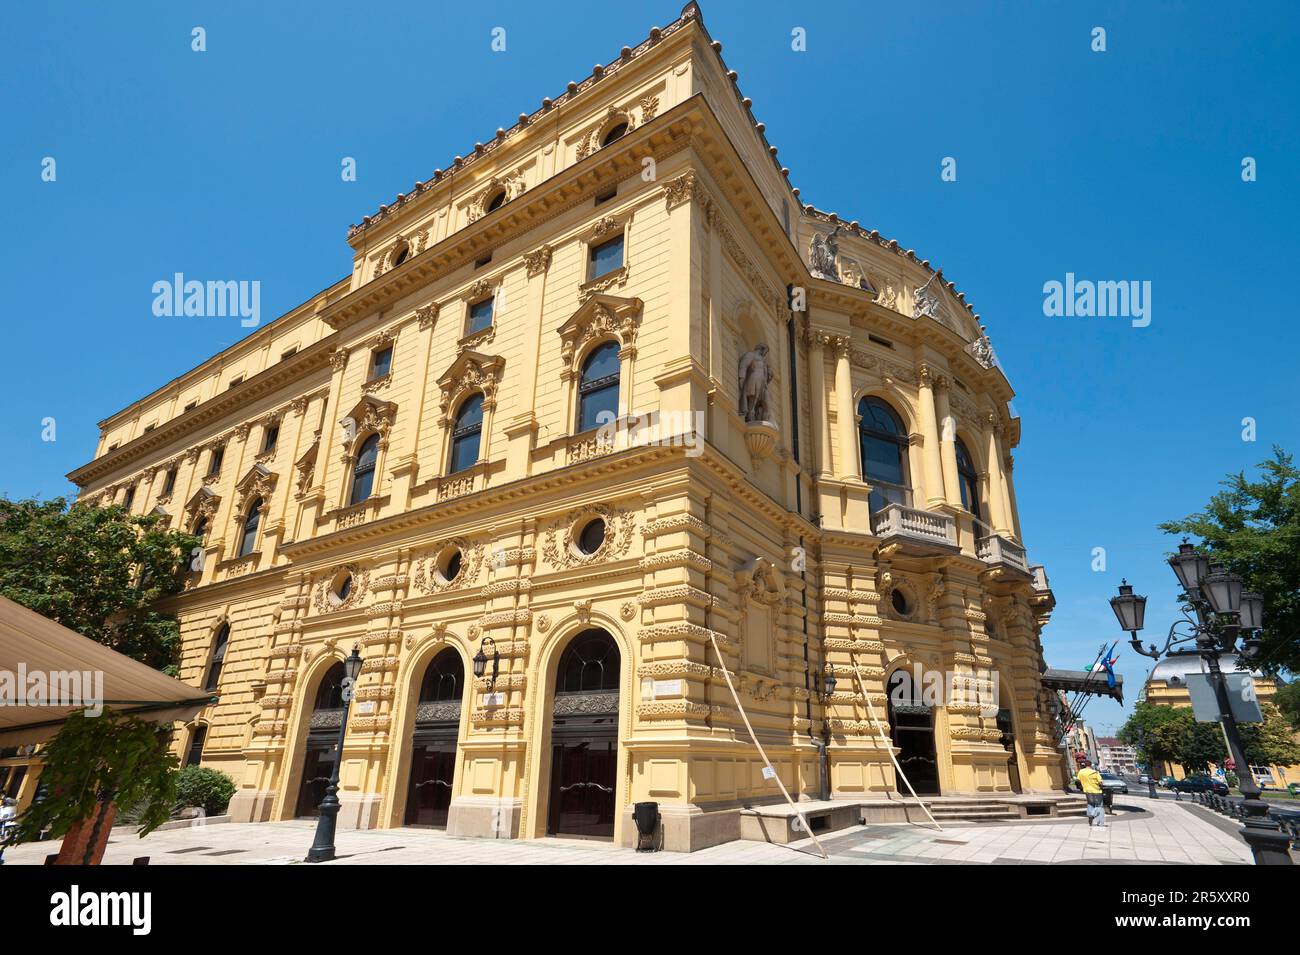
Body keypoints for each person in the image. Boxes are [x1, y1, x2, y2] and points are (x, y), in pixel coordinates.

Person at [1076, 760, 1106, 828]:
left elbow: (1078, 780)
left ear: (1085, 765)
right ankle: (1099, 821)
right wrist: (1102, 783)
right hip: (1096, 790)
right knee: (1099, 806)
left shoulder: (1081, 772)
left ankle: (1090, 815)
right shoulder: (1094, 772)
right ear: (1090, 765)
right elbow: (1100, 782)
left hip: (1087, 790)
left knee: (1090, 803)